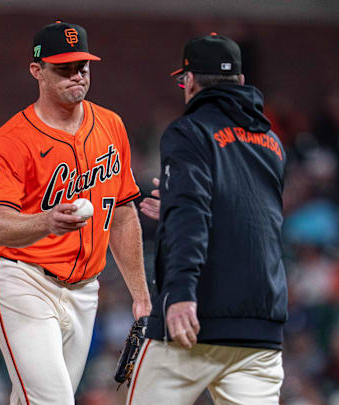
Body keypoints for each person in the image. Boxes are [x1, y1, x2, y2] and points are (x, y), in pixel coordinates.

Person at [0, 21, 151, 404]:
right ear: (37, 71)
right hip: (24, 281)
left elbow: (122, 214)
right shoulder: (10, 141)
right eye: (63, 68)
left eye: (82, 67)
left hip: (86, 290)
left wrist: (140, 295)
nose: (76, 76)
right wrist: (46, 221)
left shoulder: (111, 126)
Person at [128, 33, 288, 405]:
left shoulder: (189, 131)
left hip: (195, 323)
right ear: (242, 83)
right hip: (261, 334)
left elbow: (192, 211)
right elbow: (247, 215)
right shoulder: (273, 144)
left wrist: (183, 292)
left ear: (190, 82)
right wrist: (176, 208)